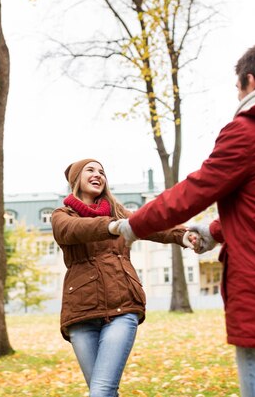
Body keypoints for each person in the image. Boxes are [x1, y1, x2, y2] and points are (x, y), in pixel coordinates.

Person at [112, 43, 255, 397]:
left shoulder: (248, 132)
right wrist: (214, 231)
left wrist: (133, 226)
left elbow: (195, 190)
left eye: (237, 87)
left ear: (249, 81)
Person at [51, 158, 189, 397]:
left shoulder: (119, 212)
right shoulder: (61, 215)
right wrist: (113, 227)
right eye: (90, 170)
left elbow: (149, 224)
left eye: (102, 172)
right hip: (81, 313)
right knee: (102, 390)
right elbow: (72, 230)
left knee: (101, 391)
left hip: (122, 307)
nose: (98, 175)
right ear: (76, 179)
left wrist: (182, 236)